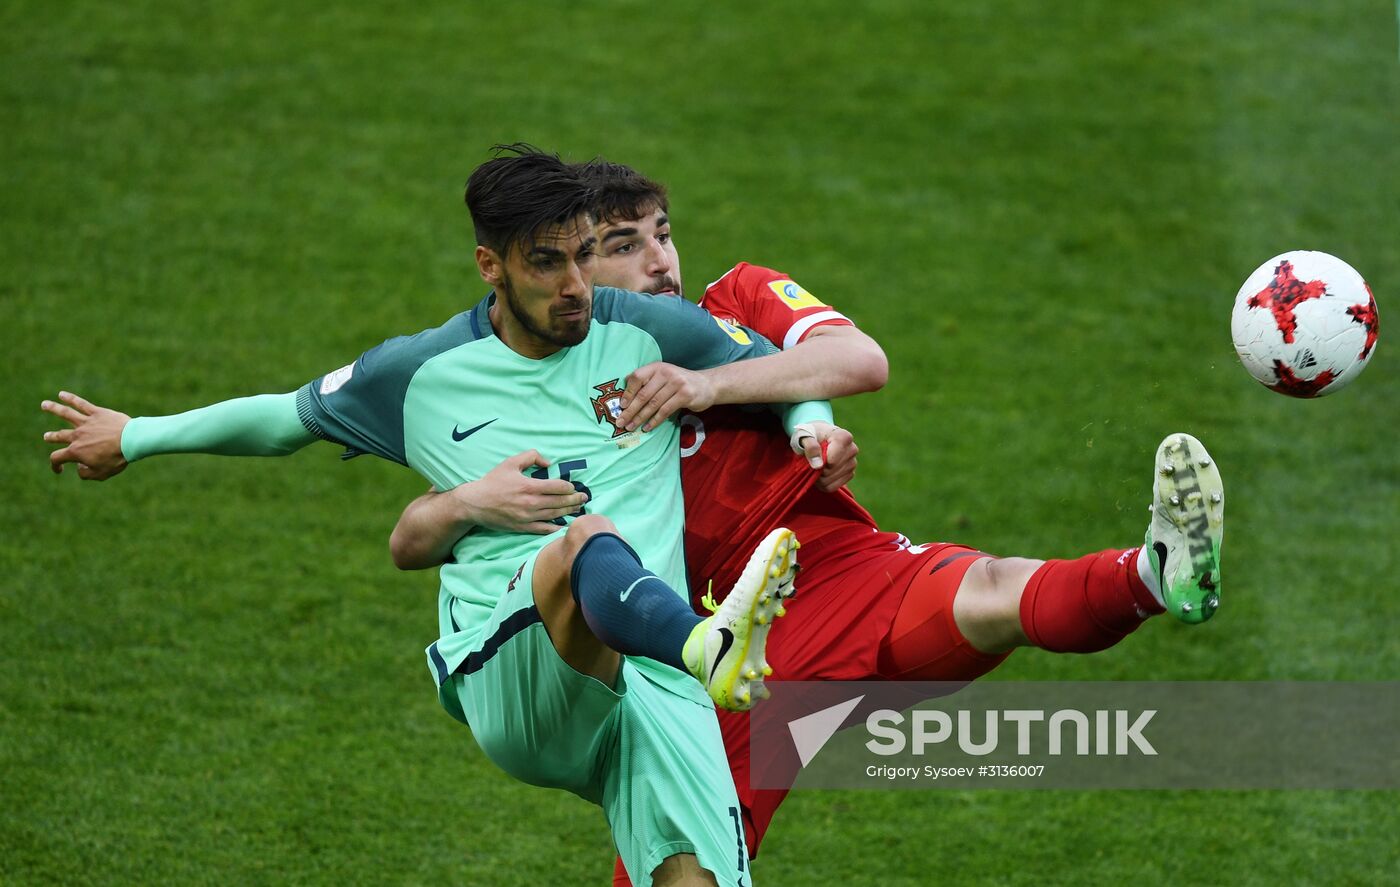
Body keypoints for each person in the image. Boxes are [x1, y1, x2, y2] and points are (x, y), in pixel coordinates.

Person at [40, 147, 875, 887]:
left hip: (658, 692)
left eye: (584, 255)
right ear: (491, 264)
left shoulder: (652, 330)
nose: (576, 286)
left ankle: (693, 656)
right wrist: (135, 436)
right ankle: (703, 640)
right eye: (547, 264)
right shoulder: (422, 372)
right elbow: (281, 418)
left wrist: (810, 430)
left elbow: (786, 369)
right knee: (590, 538)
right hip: (515, 668)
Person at [389, 158, 1228, 884]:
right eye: (623, 245)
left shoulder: (738, 306)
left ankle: (1157, 573)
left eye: (663, 234)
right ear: (569, 267)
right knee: (682, 864)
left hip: (829, 569)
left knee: (994, 588)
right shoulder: (546, 382)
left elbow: (859, 360)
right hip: (709, 650)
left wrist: (721, 391)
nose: (659, 261)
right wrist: (457, 506)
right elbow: (446, 512)